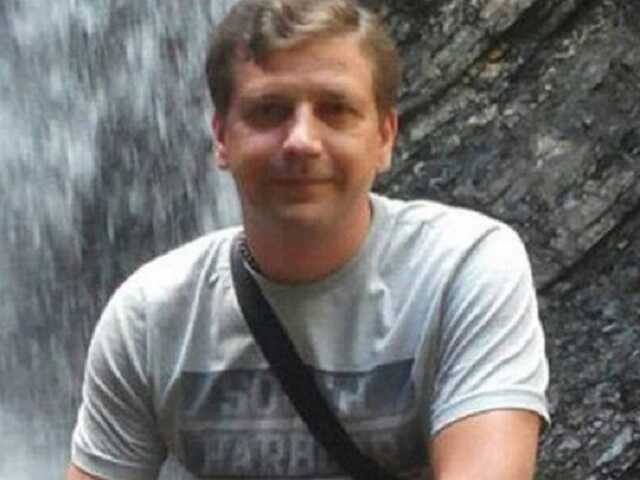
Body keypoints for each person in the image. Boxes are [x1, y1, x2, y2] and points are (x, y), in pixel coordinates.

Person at [67, 0, 549, 479]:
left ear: (384, 137)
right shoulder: (150, 317)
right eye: (269, 111)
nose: (301, 141)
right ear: (221, 138)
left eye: (335, 110)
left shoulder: (461, 269)